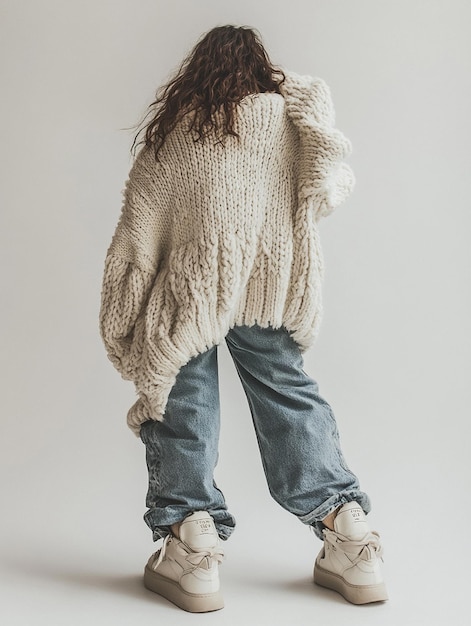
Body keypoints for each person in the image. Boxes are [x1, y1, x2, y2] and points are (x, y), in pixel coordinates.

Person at [99, 24, 388, 613]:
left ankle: (191, 541)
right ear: (262, 70)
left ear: (197, 71)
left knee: (185, 394)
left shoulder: (179, 131)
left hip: (190, 292)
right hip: (271, 290)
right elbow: (332, 185)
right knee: (288, 394)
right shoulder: (291, 125)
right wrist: (304, 101)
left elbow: (137, 229)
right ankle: (350, 533)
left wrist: (123, 314)